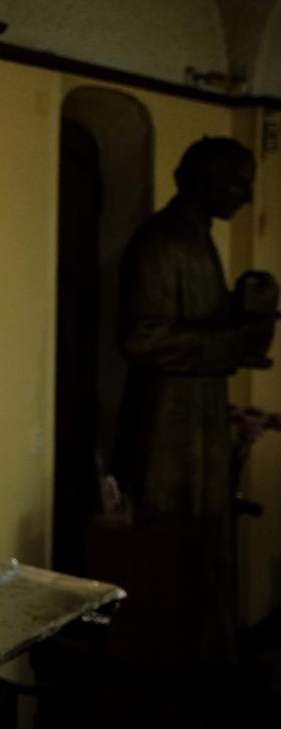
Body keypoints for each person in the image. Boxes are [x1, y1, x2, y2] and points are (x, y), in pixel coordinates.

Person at [113, 135, 273, 664]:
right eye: (237, 183)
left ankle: (204, 655)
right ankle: (169, 664)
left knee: (204, 537)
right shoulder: (162, 241)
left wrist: (244, 314)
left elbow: (195, 324)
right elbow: (142, 338)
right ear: (205, 181)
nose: (246, 196)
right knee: (171, 537)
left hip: (197, 410)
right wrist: (233, 338)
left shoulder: (196, 238)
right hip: (168, 419)